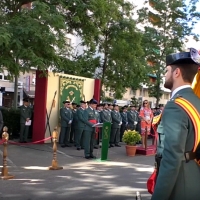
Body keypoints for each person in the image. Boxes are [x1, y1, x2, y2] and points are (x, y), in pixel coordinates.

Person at [151, 49, 200, 200]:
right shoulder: (196, 101)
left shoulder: (176, 105)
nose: (165, 75)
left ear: (176, 72)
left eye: (167, 71)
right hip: (193, 175)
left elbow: (172, 157)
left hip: (179, 183)